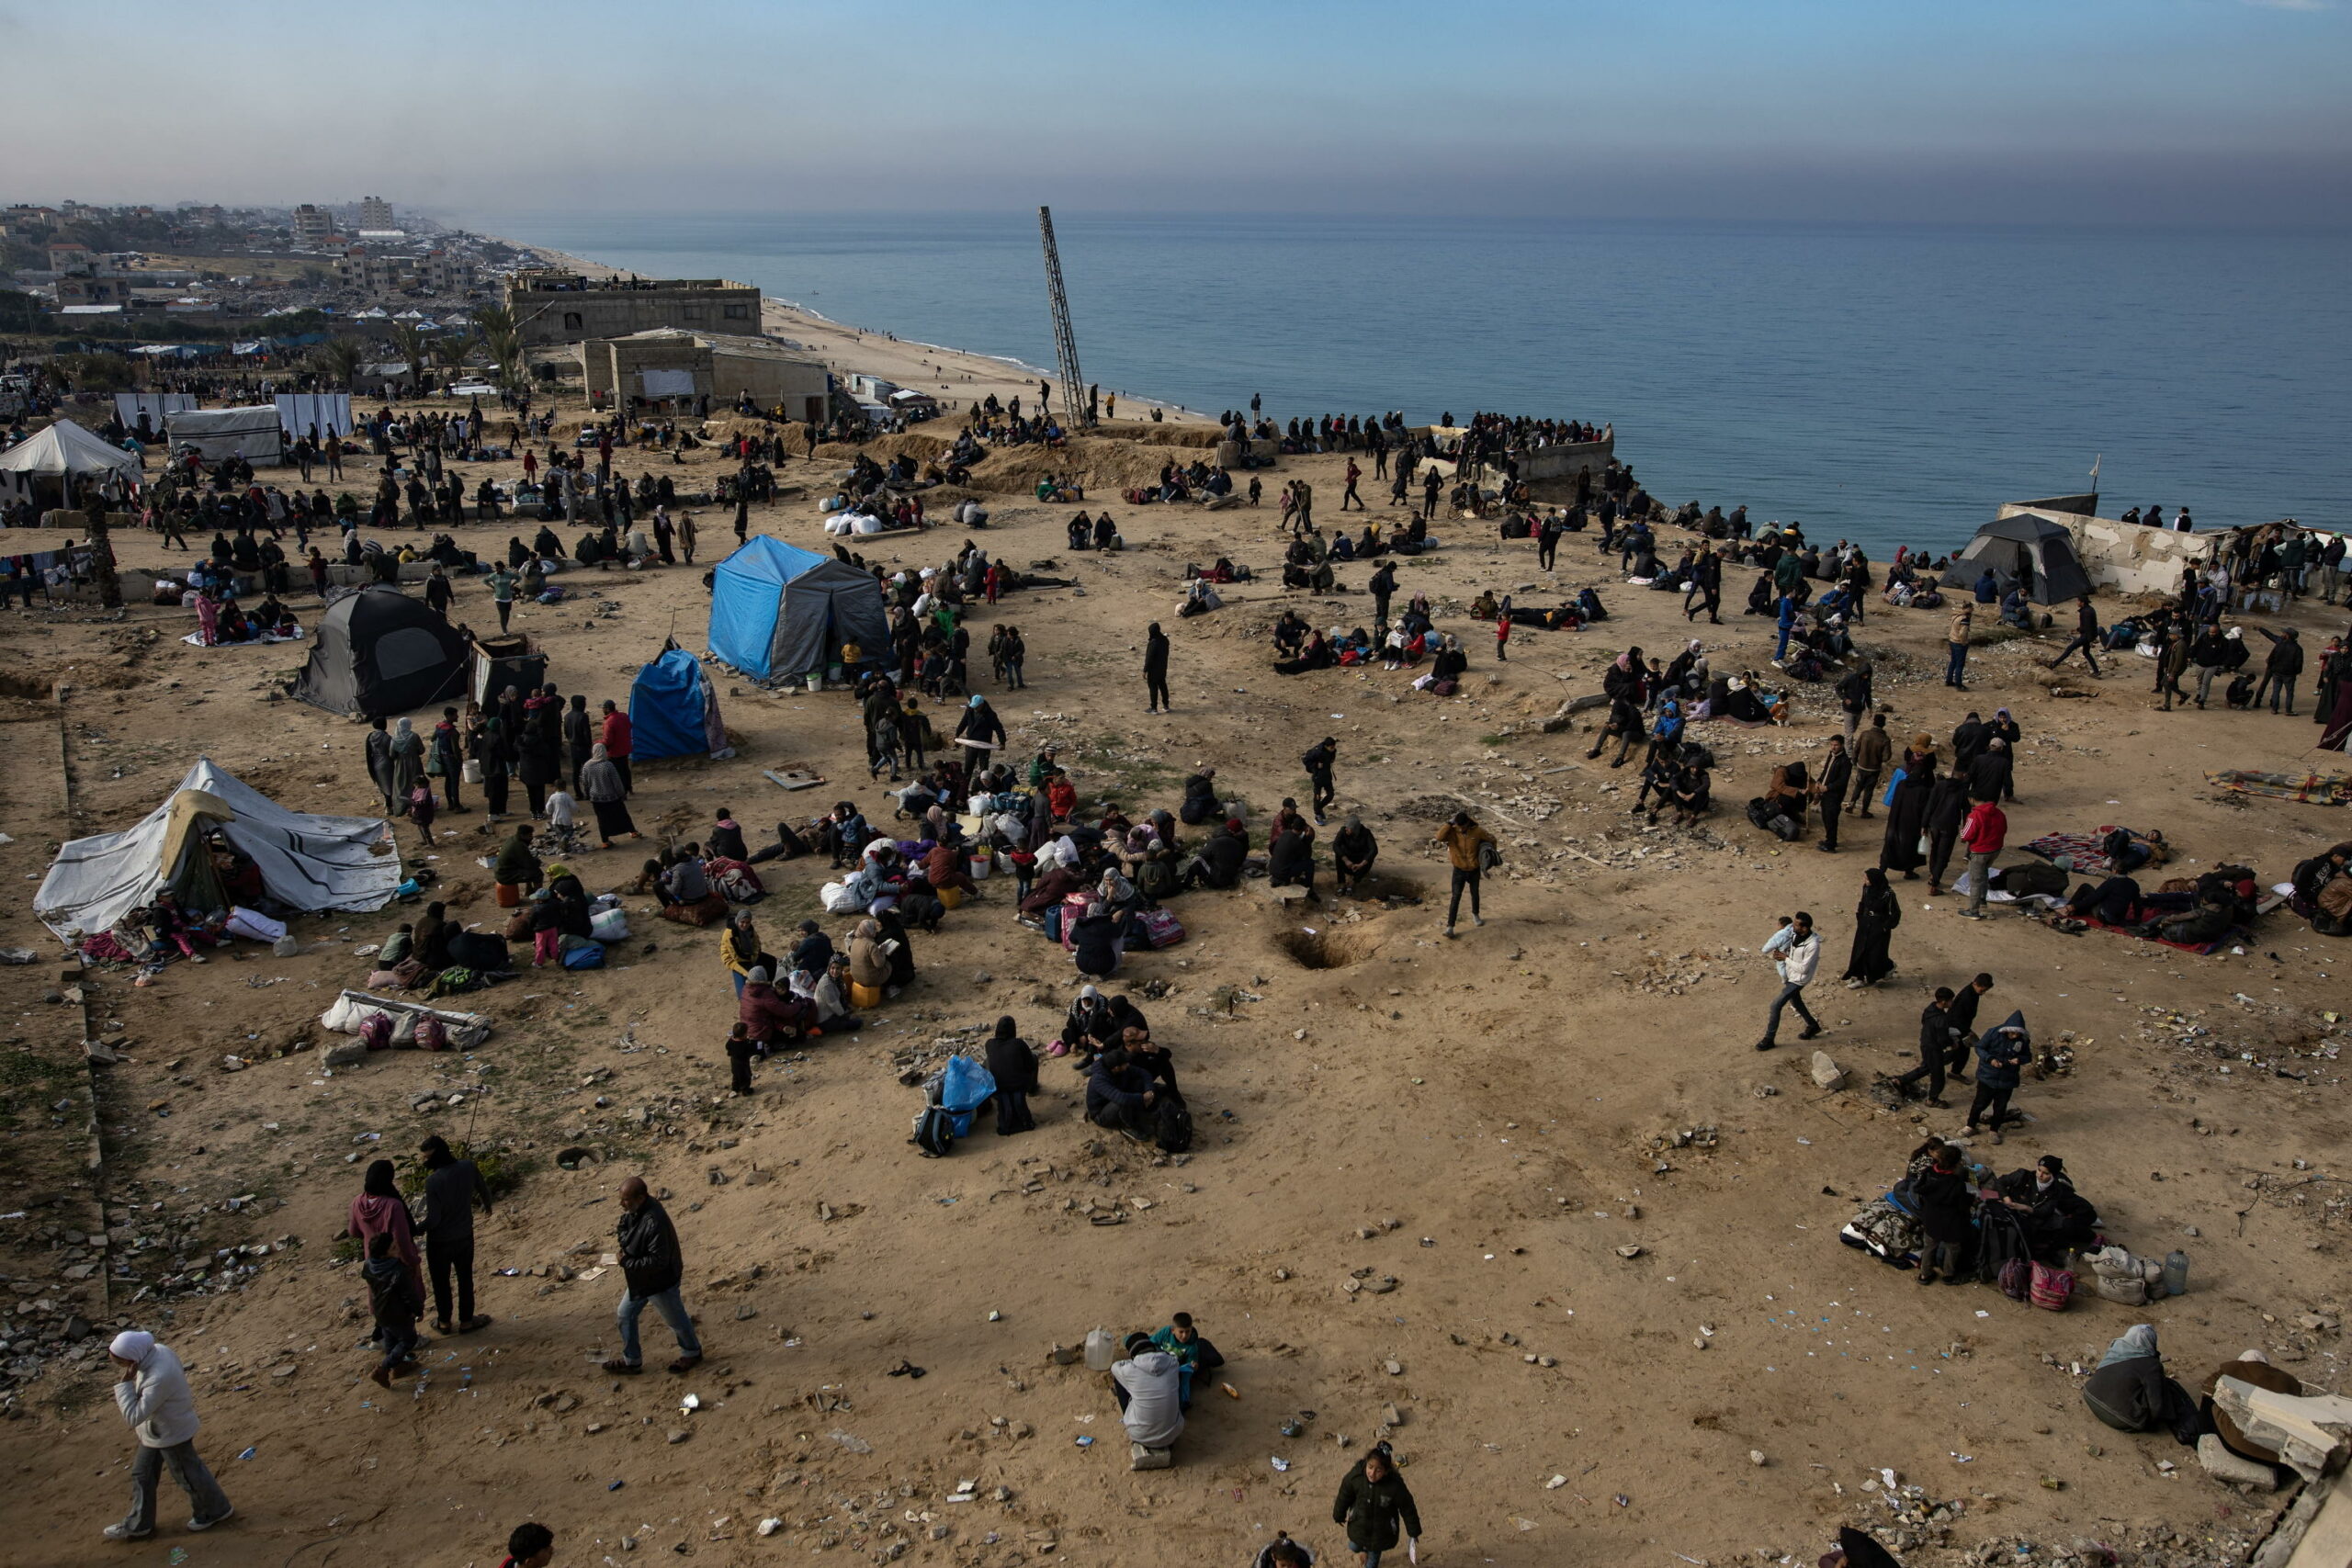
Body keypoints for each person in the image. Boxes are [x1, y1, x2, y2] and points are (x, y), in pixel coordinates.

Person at [102, 1329, 233, 1542]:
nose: (121, 1368)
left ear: (133, 1359)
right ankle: (139, 1524)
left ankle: (214, 1511)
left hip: (171, 1432)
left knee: (188, 1475)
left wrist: (125, 1383)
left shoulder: (158, 1376)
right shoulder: (159, 1351)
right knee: (142, 1474)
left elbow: (133, 1415)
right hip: (159, 1430)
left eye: (121, 1363)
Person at [605, 1176, 702, 1375]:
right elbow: (625, 1228)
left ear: (640, 1198)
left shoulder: (654, 1221)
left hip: (660, 1281)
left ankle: (692, 1352)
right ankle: (631, 1360)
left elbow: (658, 1261)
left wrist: (626, 1262)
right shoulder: (637, 1211)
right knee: (625, 1314)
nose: (621, 1204)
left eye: (625, 1200)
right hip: (641, 1279)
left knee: (676, 1321)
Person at [416, 1134, 494, 1335]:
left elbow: (434, 1219)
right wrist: (487, 1207)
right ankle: (467, 1321)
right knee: (465, 1279)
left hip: (439, 1241)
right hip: (464, 1236)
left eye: (427, 1158)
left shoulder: (434, 1181)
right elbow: (483, 1189)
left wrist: (416, 1229)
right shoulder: (467, 1167)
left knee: (441, 1283)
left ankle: (444, 1322)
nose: (425, 1161)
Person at [344, 1158, 424, 1336]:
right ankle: (406, 1340)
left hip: (372, 1260)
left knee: (379, 1297)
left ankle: (380, 1335)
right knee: (403, 1298)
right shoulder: (393, 1205)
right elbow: (402, 1239)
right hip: (396, 1260)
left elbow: (354, 1231)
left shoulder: (357, 1202)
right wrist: (414, 1262)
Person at [2083, 1325, 2201, 1442]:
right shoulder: (2151, 1366)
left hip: (2090, 1396)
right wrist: (2152, 1423)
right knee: (2168, 1387)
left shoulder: (2117, 1347)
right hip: (2121, 1420)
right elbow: (2156, 1405)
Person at [1331, 1445, 1420, 1568]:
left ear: (1386, 1471)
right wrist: (1338, 1514)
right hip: (1359, 1525)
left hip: (1381, 1533)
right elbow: (1344, 1495)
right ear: (1366, 1463)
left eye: (1378, 1470)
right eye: (1370, 1467)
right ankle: (1363, 1550)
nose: (1372, 1473)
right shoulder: (1356, 1477)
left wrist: (1413, 1532)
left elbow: (1407, 1508)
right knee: (1353, 1546)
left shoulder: (1395, 1486)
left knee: (1371, 1564)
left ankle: (1369, 1554)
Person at [363, 1229, 424, 1388]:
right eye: (393, 1248)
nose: (397, 1249)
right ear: (384, 1254)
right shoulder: (397, 1271)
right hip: (398, 1312)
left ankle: (398, 1367)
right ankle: (383, 1369)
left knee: (390, 1338)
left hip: (381, 1310)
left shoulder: (370, 1265)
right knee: (408, 1339)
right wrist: (418, 1310)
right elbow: (408, 1295)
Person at [1754, 910, 1822, 1051]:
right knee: (1796, 1001)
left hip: (1799, 980)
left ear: (1805, 928)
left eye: (1796, 925)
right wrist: (1781, 955)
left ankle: (1769, 1039)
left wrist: (1785, 958)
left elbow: (1803, 969)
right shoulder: (1794, 933)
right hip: (1790, 975)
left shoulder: (1813, 945)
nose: (1792, 926)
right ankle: (1813, 1026)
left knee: (1775, 1006)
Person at [1909, 1142, 1975, 1285]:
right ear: (1956, 1164)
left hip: (1930, 1218)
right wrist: (1971, 1199)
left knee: (1929, 1246)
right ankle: (1948, 1275)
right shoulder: (1956, 1183)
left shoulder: (1928, 1173)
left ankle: (1925, 1275)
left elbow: (1919, 1189)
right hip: (1950, 1222)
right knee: (1953, 1248)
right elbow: (1962, 1205)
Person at [1111, 1330, 1185, 1451]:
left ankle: (1129, 1416)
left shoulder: (1129, 1371)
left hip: (1139, 1435)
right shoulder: (1173, 1364)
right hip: (1172, 1433)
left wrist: (1132, 1362)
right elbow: (1172, 1357)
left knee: (1119, 1381)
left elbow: (1115, 1367)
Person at [1966, 1011, 2030, 1145]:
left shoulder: (2023, 1040)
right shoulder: (1993, 1033)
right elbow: (1979, 1048)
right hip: (1987, 1076)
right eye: (2012, 1033)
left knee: (2000, 1107)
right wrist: (1990, 1059)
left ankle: (1994, 1131)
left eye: (2017, 1034)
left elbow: (2027, 1056)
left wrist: (2019, 1059)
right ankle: (1970, 1126)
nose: (2014, 1036)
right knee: (1980, 1103)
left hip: (2007, 1079)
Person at [1435, 809, 1496, 938]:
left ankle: (1475, 915)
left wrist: (1489, 856)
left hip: (1474, 869)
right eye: (1458, 825)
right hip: (1458, 870)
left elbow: (1492, 839)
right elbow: (1439, 837)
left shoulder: (1477, 831)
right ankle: (1450, 927)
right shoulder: (1451, 831)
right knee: (1455, 897)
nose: (1461, 828)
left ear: (1468, 823)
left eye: (1463, 826)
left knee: (1475, 893)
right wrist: (1448, 823)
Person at [1149, 1311, 1228, 1408]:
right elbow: (1152, 1343)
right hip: (1160, 1360)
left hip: (1176, 1366)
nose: (1184, 1335)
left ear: (1191, 1330)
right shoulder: (1165, 1332)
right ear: (1173, 1330)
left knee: (1185, 1376)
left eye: (1187, 1331)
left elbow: (1192, 1365)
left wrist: (1194, 1366)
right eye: (1181, 1332)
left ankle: (1184, 1401)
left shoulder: (1192, 1347)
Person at [1895, 988, 1958, 1107]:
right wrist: (1952, 1043)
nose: (1952, 1003)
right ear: (1944, 1002)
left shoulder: (1930, 1009)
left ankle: (1901, 1080)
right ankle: (1932, 1100)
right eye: (1951, 1001)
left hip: (1925, 1042)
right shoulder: (1941, 1019)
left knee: (1927, 1067)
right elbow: (1943, 1039)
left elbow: (1924, 1022)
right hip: (1934, 1048)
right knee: (1938, 1075)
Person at [1842, 867, 1901, 987]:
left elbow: (1895, 912)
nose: (1865, 881)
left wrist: (1886, 927)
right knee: (1860, 951)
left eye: (1867, 878)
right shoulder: (1867, 889)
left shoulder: (1887, 894)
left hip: (1878, 927)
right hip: (1865, 924)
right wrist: (1860, 917)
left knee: (1875, 954)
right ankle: (1859, 977)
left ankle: (1887, 967)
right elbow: (1863, 902)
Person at [1957, 792, 2007, 918]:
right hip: (1995, 850)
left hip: (1979, 852)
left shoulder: (1975, 815)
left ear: (1972, 799)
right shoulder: (1999, 813)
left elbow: (1966, 835)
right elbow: (2004, 829)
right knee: (1984, 875)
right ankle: (1983, 902)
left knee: (1975, 880)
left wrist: (1962, 834)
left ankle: (1974, 911)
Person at [985, 1015, 1038, 1134]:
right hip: (1019, 1085)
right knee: (1034, 1058)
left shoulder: (989, 1044)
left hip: (997, 1088)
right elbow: (1030, 1064)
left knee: (988, 1062)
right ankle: (1032, 1089)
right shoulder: (1019, 1044)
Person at [580, 743, 639, 849]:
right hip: (611, 797)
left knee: (602, 819)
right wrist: (621, 793)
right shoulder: (608, 765)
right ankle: (633, 831)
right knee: (622, 814)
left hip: (596, 799)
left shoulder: (587, 766)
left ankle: (605, 841)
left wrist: (587, 794)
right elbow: (617, 782)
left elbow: (585, 782)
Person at [1814, 734, 1852, 852]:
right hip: (1825, 792)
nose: (1833, 747)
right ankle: (1829, 840)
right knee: (1826, 817)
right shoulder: (1832, 756)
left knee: (1831, 819)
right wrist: (1819, 781)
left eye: (1836, 745)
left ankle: (1831, 845)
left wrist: (1828, 787)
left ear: (1841, 745)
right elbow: (1826, 770)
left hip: (1834, 795)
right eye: (1831, 745)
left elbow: (1842, 781)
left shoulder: (1845, 762)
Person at [2046, 595, 2103, 676]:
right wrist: (2078, 630)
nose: (2077, 603)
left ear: (2082, 603)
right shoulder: (2089, 610)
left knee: (2070, 648)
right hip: (2089, 635)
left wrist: (2079, 630)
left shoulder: (2085, 612)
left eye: (2078, 601)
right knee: (2086, 652)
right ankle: (2096, 671)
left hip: (2086, 636)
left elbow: (2086, 626)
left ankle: (2054, 664)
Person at [1849, 712, 1890, 820]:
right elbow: (1886, 757)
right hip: (1874, 769)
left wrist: (1854, 761)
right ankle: (1864, 811)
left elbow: (1856, 749)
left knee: (1858, 785)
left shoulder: (1865, 734)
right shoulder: (1884, 739)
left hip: (1861, 766)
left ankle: (1851, 803)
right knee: (1869, 790)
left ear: (1874, 722)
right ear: (1883, 724)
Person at [1332, 816, 1378, 896]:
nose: (1346, 829)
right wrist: (1346, 860)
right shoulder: (1343, 831)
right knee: (1338, 855)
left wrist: (1361, 864)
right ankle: (1342, 882)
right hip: (1347, 861)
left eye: (1349, 828)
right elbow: (1336, 845)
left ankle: (1354, 882)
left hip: (1359, 862)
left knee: (1369, 858)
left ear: (1355, 829)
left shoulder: (1366, 833)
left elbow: (1374, 849)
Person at [1303, 737, 1339, 824]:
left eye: (1333, 747)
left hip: (1327, 777)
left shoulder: (1333, 751)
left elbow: (1332, 758)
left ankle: (1319, 809)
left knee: (1330, 794)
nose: (1333, 749)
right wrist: (1315, 765)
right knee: (1317, 797)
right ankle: (1317, 815)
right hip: (1318, 778)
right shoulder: (1317, 752)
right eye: (1331, 748)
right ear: (1326, 746)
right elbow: (1305, 760)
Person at [1144, 621, 1172, 713]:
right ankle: (1166, 705)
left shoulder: (1153, 643)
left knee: (1153, 687)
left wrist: (1145, 670)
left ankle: (1154, 708)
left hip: (1153, 670)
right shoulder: (1165, 640)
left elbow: (1149, 658)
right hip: (1163, 668)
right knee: (1163, 686)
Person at [1945, 601, 1973, 689]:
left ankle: (1949, 681)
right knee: (1960, 664)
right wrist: (1964, 642)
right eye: (1972, 608)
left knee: (1953, 662)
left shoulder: (1956, 615)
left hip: (1952, 640)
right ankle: (1959, 684)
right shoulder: (1964, 619)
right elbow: (1963, 633)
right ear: (1968, 608)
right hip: (1959, 643)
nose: (1973, 610)